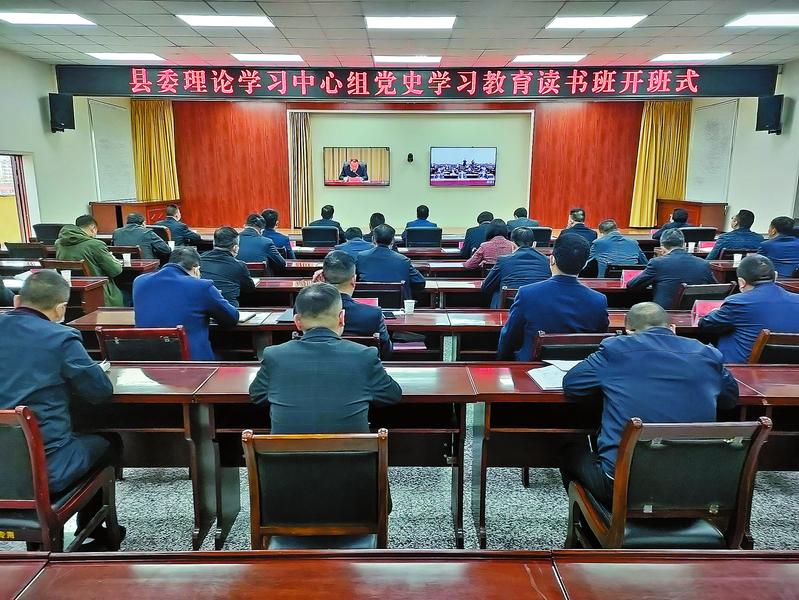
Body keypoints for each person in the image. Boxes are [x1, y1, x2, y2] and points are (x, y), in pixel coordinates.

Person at [560, 302, 739, 506]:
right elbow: (729, 400)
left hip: (623, 485)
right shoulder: (708, 354)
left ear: (628, 330)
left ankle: (596, 520)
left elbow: (572, 385)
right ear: (672, 328)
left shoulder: (615, 349)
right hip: (695, 484)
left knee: (569, 452)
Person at [0, 271, 124, 548]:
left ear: (17, 300)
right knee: (109, 442)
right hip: (45, 468)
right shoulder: (60, 338)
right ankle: (97, 533)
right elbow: (99, 392)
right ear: (60, 309)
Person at [249, 282, 401, 433]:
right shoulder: (365, 356)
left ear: (297, 322)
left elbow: (257, 396)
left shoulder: (274, 356)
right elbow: (392, 395)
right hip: (352, 450)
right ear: (342, 317)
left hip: (284, 450)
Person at [497, 234, 609, 361]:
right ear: (584, 265)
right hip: (579, 367)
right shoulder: (599, 300)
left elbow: (510, 335)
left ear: (551, 260)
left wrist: (502, 361)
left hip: (531, 366)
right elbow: (599, 340)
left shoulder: (527, 293)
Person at [134, 247, 239, 360]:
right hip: (193, 363)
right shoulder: (202, 286)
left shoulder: (139, 281)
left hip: (149, 361)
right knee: (232, 356)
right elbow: (232, 317)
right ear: (196, 269)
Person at [699, 255, 799, 363]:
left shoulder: (739, 303)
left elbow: (706, 323)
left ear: (741, 282)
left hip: (741, 370)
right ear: (775, 276)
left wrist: (715, 312)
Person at [322, 250, 392, 357]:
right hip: (364, 366)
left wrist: (316, 288)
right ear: (354, 280)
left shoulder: (306, 311)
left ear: (322, 278)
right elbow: (386, 352)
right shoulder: (373, 314)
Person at [627, 228, 715, 309]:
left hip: (663, 314)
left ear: (662, 247)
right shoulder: (703, 264)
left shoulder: (657, 263)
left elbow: (632, 285)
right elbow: (715, 288)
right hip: (692, 313)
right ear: (684, 245)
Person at [55, 215, 124, 307]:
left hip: (70, 295)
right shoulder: (95, 244)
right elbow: (115, 270)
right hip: (99, 293)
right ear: (93, 228)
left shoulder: (59, 243)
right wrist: (115, 260)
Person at [482, 227, 551, 308]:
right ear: (534, 244)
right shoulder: (546, 260)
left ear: (513, 244)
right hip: (539, 307)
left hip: (510, 309)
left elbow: (486, 287)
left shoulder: (503, 260)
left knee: (497, 291)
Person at [356, 224, 426, 299]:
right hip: (398, 305)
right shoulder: (403, 260)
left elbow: (353, 280)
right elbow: (420, 282)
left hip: (367, 304)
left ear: (373, 239)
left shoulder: (361, 257)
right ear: (393, 241)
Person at [199, 227, 255, 307]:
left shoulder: (199, 259)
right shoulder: (239, 265)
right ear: (235, 248)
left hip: (202, 307)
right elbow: (249, 288)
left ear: (214, 243)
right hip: (228, 309)